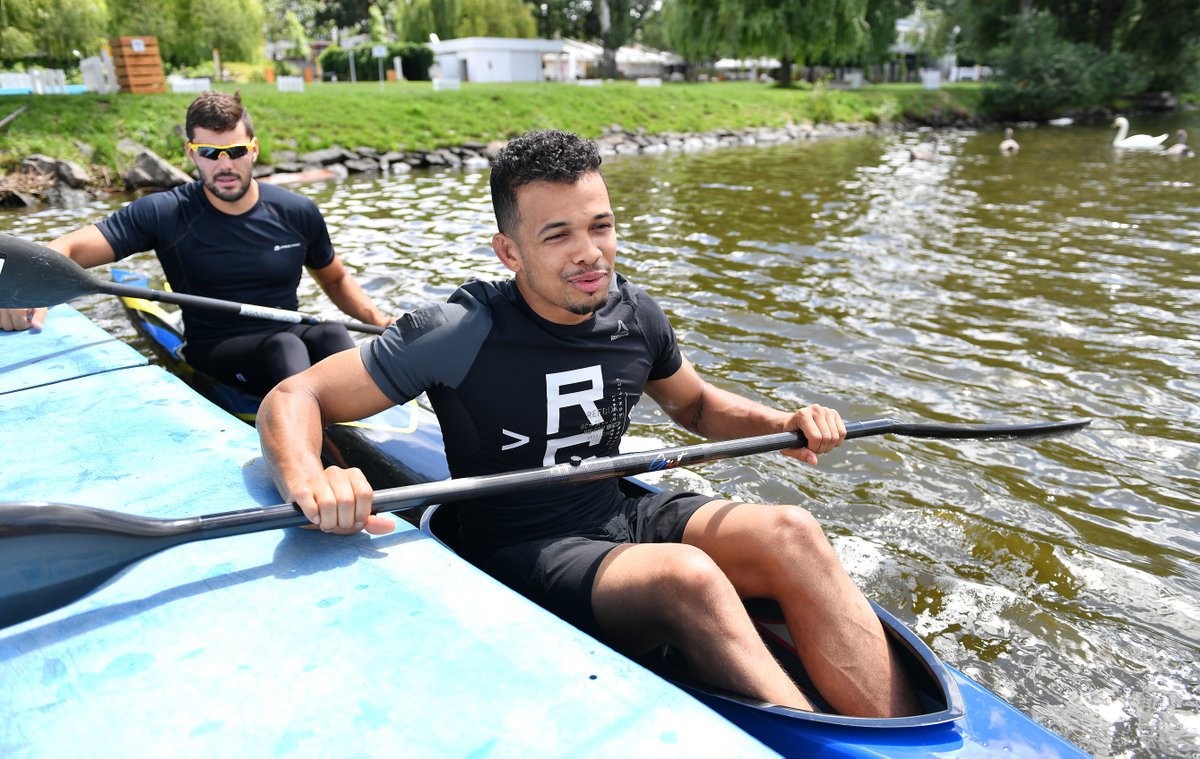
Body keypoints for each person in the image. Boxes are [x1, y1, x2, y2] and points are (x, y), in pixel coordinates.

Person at [256, 129, 918, 717]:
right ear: (508, 252)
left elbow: (695, 406)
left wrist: (787, 420)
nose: (590, 253)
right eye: (558, 234)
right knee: (686, 576)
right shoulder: (456, 330)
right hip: (518, 549)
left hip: (617, 513)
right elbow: (295, 397)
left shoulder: (635, 314)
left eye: (600, 226)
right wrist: (310, 477)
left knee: (792, 529)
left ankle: (899, 733)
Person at [0, 91, 390, 396]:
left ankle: (369, 425)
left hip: (288, 332)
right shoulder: (165, 213)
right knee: (284, 349)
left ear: (252, 149)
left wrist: (380, 322)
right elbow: (70, 249)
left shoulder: (297, 211)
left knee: (333, 335)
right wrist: (24, 287)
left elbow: (336, 280)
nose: (224, 165)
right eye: (209, 154)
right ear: (191, 153)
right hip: (216, 346)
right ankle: (323, 458)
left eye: (235, 152)